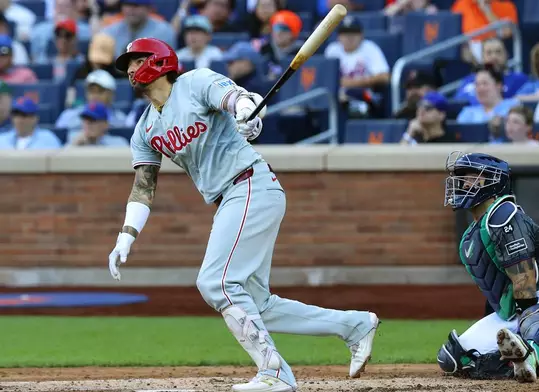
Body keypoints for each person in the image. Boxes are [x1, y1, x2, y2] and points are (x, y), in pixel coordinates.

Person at [107, 37, 380, 392]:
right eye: (126, 63)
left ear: (158, 61)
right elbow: (144, 185)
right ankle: (355, 326)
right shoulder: (145, 129)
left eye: (135, 59)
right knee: (259, 305)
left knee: (216, 282)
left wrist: (247, 115)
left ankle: (275, 372)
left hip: (250, 184)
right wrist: (126, 235)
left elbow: (240, 99)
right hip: (230, 200)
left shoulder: (195, 82)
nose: (129, 68)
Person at [438, 151, 539, 382]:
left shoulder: (504, 215)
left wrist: (522, 323)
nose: (462, 183)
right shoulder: (473, 234)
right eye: (461, 177)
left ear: (493, 182)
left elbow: (524, 280)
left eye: (471, 177)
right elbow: (499, 291)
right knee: (454, 357)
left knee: (537, 321)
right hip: (517, 309)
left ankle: (532, 354)